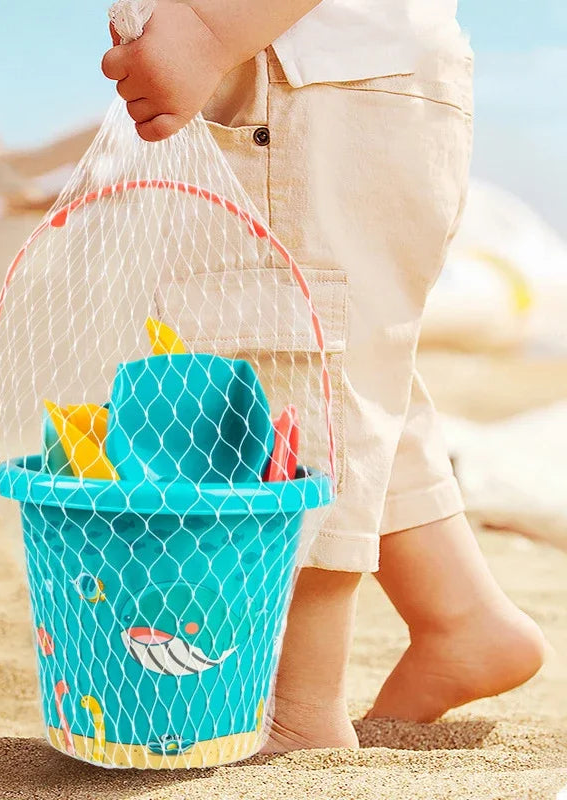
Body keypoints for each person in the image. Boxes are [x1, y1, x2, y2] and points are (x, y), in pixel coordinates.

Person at [100, 0, 546, 751]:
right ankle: (459, 615)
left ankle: (298, 709)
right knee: (349, 368)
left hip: (311, 84)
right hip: (340, 83)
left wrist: (211, 31)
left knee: (291, 384)